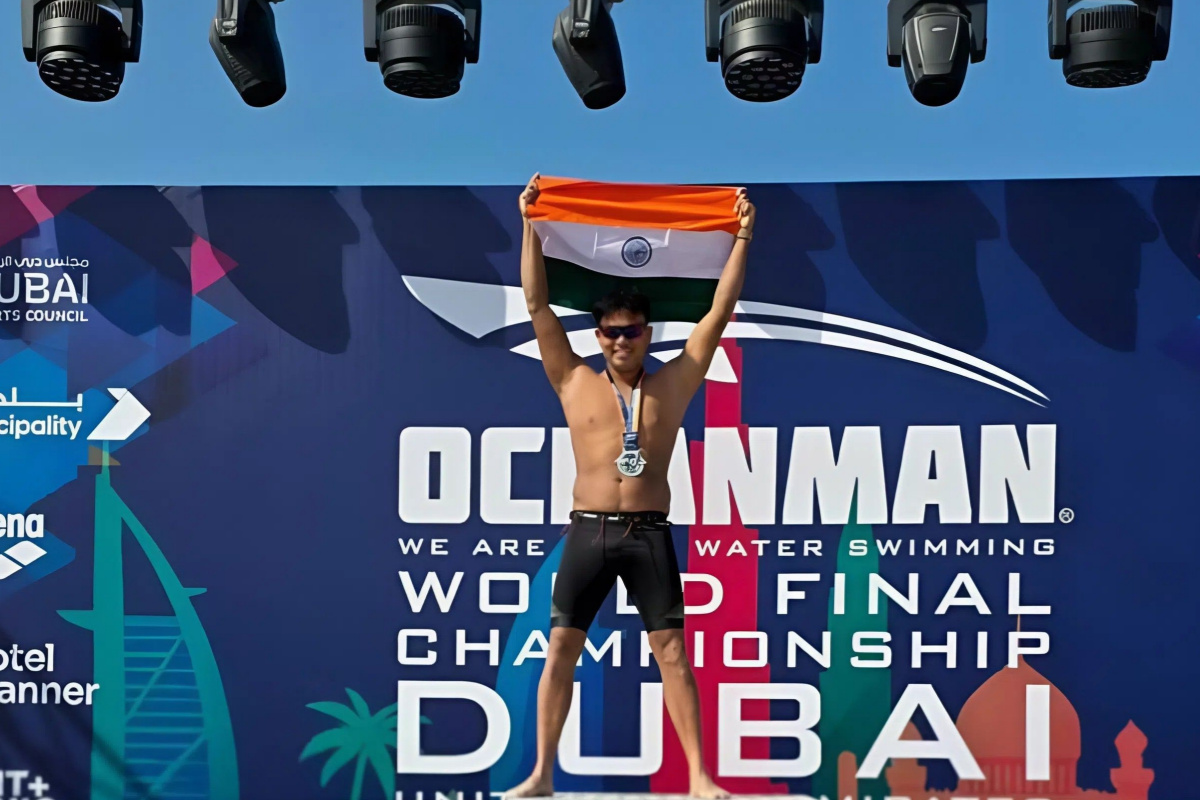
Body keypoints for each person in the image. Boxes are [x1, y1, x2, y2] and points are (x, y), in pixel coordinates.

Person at [504, 175, 754, 799]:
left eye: (633, 331)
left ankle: (699, 779)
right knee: (560, 650)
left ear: (648, 332)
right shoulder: (573, 380)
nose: (622, 341)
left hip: (648, 535)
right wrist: (529, 225)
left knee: (672, 654)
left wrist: (743, 238)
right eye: (612, 332)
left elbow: (717, 313)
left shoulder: (674, 383)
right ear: (598, 336)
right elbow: (537, 305)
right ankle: (541, 776)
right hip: (588, 532)